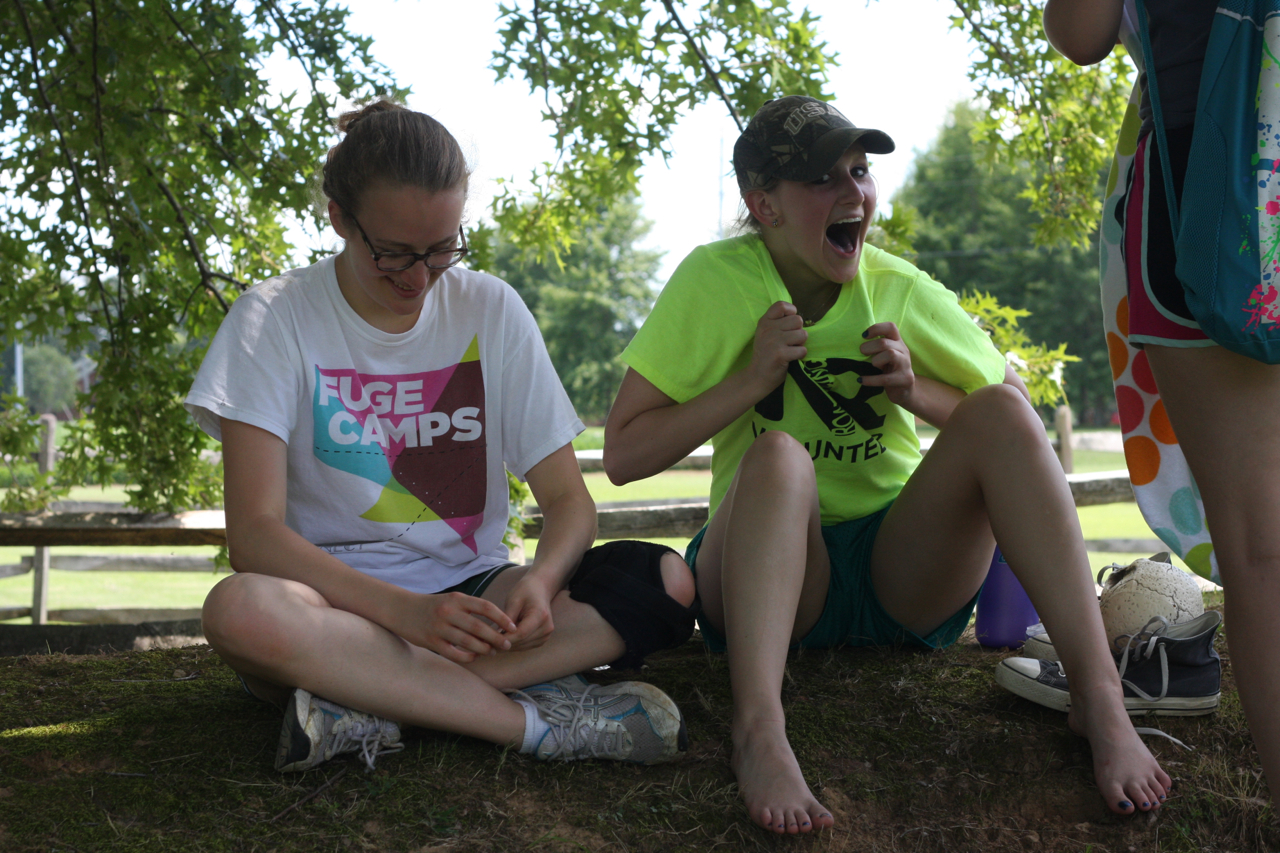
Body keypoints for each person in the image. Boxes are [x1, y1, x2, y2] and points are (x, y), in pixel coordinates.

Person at [603, 95, 1171, 834]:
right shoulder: (716, 282)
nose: (854, 195)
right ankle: (759, 731)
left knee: (997, 410)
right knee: (778, 455)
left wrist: (915, 390)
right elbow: (623, 455)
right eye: (822, 179)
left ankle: (1099, 699)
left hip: (899, 574)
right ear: (763, 205)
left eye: (860, 171)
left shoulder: (900, 287)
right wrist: (746, 381)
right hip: (769, 575)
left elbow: (1015, 416)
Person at [186, 100, 699, 773]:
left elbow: (571, 504)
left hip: (474, 597)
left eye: (442, 249)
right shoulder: (271, 318)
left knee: (663, 579)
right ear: (339, 218)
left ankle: (369, 698)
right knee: (240, 608)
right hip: (331, 605)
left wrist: (542, 581)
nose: (419, 278)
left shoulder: (490, 306)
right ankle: (537, 724)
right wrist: (405, 615)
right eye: (393, 253)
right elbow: (253, 535)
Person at [1045, 0, 1280, 798]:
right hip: (1206, 186)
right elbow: (1079, 36)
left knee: (1261, 553)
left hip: (1206, 180)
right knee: (1262, 552)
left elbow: (1078, 33)